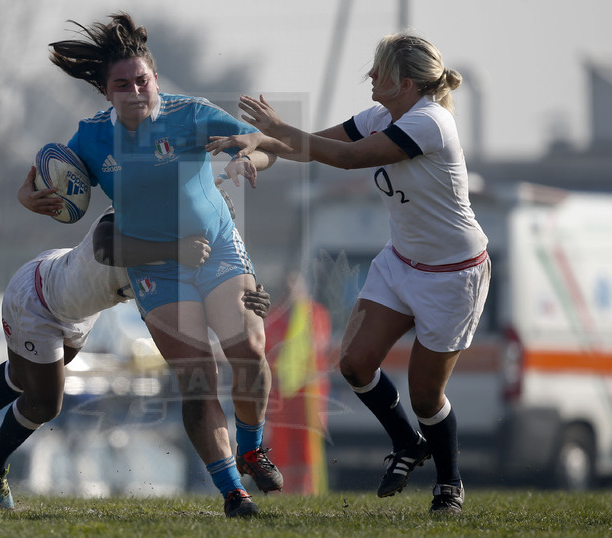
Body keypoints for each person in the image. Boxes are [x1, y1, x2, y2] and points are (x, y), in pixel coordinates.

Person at [207, 32, 491, 515]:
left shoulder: (430, 122)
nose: (370, 76)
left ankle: (450, 484)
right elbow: (314, 147)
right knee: (355, 364)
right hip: (401, 262)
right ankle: (407, 444)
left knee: (425, 396)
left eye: (379, 69)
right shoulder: (385, 114)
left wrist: (277, 128)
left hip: (453, 274)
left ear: (405, 82)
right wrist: (256, 147)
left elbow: (344, 158)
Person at [41, 12, 284, 517]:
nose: (135, 90)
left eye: (142, 80)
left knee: (249, 348)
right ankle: (232, 493)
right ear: (106, 93)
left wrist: (247, 157)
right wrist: (31, 197)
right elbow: (39, 181)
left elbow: (265, 146)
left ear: (155, 78)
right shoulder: (90, 138)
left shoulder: (190, 113)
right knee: (195, 378)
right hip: (156, 267)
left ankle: (252, 445)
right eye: (122, 84)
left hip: (215, 245)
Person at [0, 172, 273, 510]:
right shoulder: (139, 214)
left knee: (29, 377)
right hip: (39, 299)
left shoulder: (187, 250)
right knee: (45, 402)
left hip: (79, 308)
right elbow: (104, 244)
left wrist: (253, 299)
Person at [263, 272, 332, 495]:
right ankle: (284, 489)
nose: (292, 292)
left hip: (310, 391)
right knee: (282, 443)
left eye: (296, 286)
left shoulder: (316, 314)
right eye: (288, 287)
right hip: (282, 392)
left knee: (307, 444)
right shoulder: (274, 318)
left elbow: (319, 347)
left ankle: (308, 490)